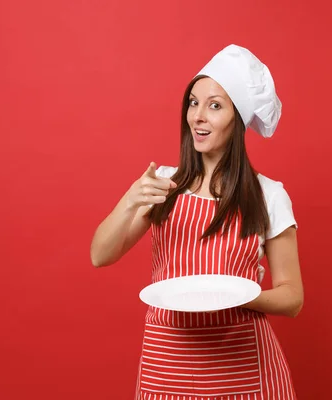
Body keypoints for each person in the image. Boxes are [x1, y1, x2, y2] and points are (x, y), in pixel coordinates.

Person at [91, 44, 304, 400]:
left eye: (215, 105)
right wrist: (130, 200)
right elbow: (100, 255)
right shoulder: (163, 183)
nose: (198, 117)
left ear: (237, 118)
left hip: (242, 369)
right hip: (167, 366)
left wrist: (238, 297)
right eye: (193, 102)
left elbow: (292, 297)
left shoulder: (268, 195)